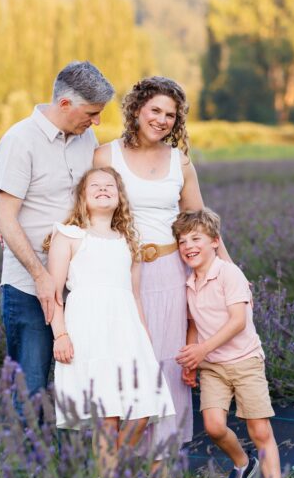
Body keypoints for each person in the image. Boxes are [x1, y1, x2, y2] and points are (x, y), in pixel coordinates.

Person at [93, 76, 229, 452]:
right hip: (122, 275)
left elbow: (199, 220)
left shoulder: (179, 160)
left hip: (171, 273)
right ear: (136, 109)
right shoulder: (106, 156)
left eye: (171, 114)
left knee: (169, 366)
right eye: (155, 110)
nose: (162, 119)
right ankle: (120, 462)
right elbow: (88, 213)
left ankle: (162, 465)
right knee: (129, 364)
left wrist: (228, 271)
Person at [47, 167, 175, 478]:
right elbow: (52, 292)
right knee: (107, 418)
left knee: (142, 409)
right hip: (88, 329)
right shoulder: (69, 235)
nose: (103, 189)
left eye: (110, 186)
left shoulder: (128, 241)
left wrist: (143, 338)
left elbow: (134, 295)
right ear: (82, 197)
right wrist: (59, 334)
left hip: (126, 329)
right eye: (95, 186)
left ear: (119, 198)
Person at [0, 61, 114, 399]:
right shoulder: (19, 141)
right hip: (29, 287)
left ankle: (70, 453)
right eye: (91, 112)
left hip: (79, 282)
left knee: (79, 384)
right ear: (64, 104)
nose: (97, 121)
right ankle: (28, 453)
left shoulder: (85, 136)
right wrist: (41, 276)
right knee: (30, 387)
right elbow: (5, 218)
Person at [173, 208, 291, 478]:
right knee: (213, 427)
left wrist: (202, 350)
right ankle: (242, 462)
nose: (188, 246)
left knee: (260, 430)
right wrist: (191, 360)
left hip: (245, 360)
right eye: (182, 241)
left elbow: (238, 321)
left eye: (195, 238)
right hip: (212, 366)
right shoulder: (188, 283)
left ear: (215, 241)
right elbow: (193, 325)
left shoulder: (229, 273)